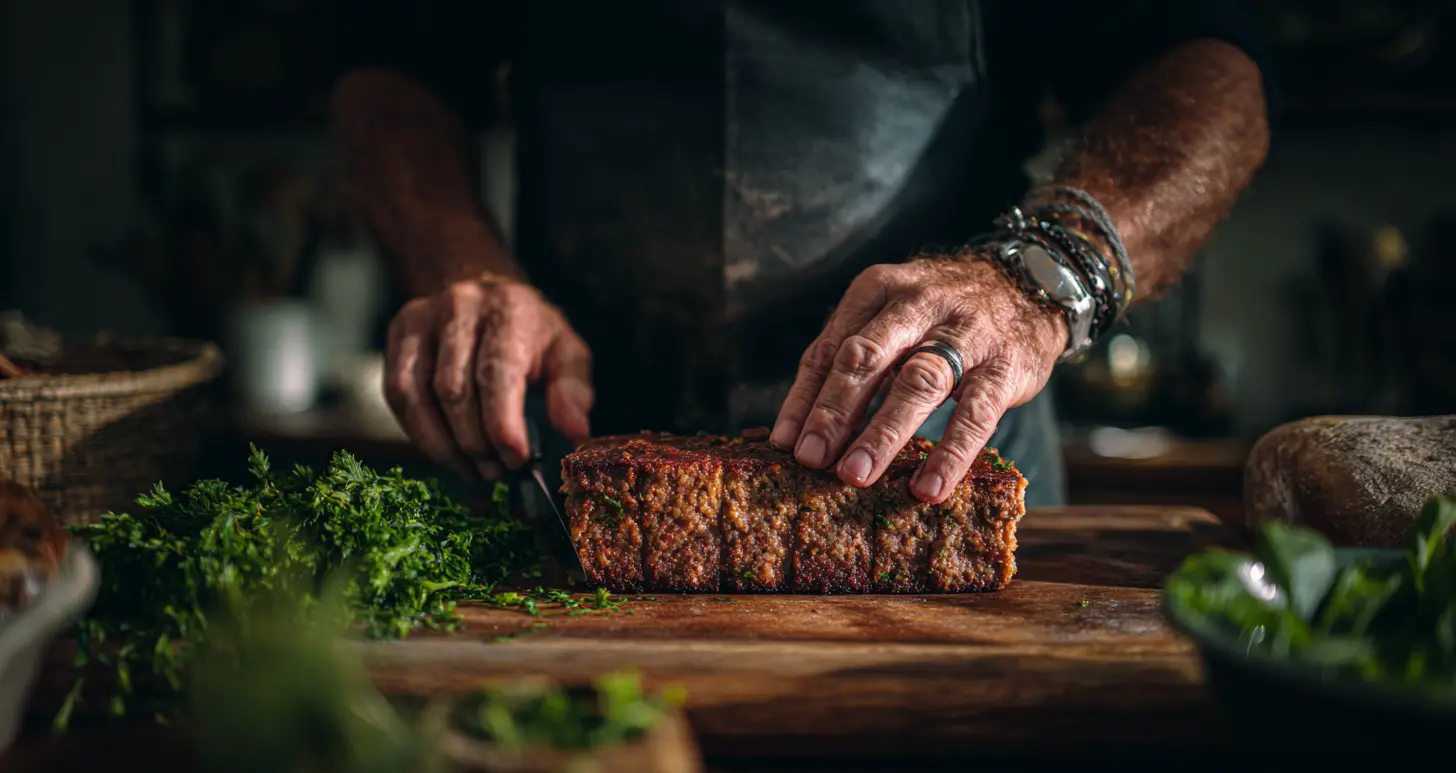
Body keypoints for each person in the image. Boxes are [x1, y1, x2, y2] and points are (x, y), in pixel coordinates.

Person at [333, 1, 1272, 507]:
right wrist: (463, 269)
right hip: (562, 442)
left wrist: (1038, 282)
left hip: (934, 443)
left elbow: (1209, 70)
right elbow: (394, 67)